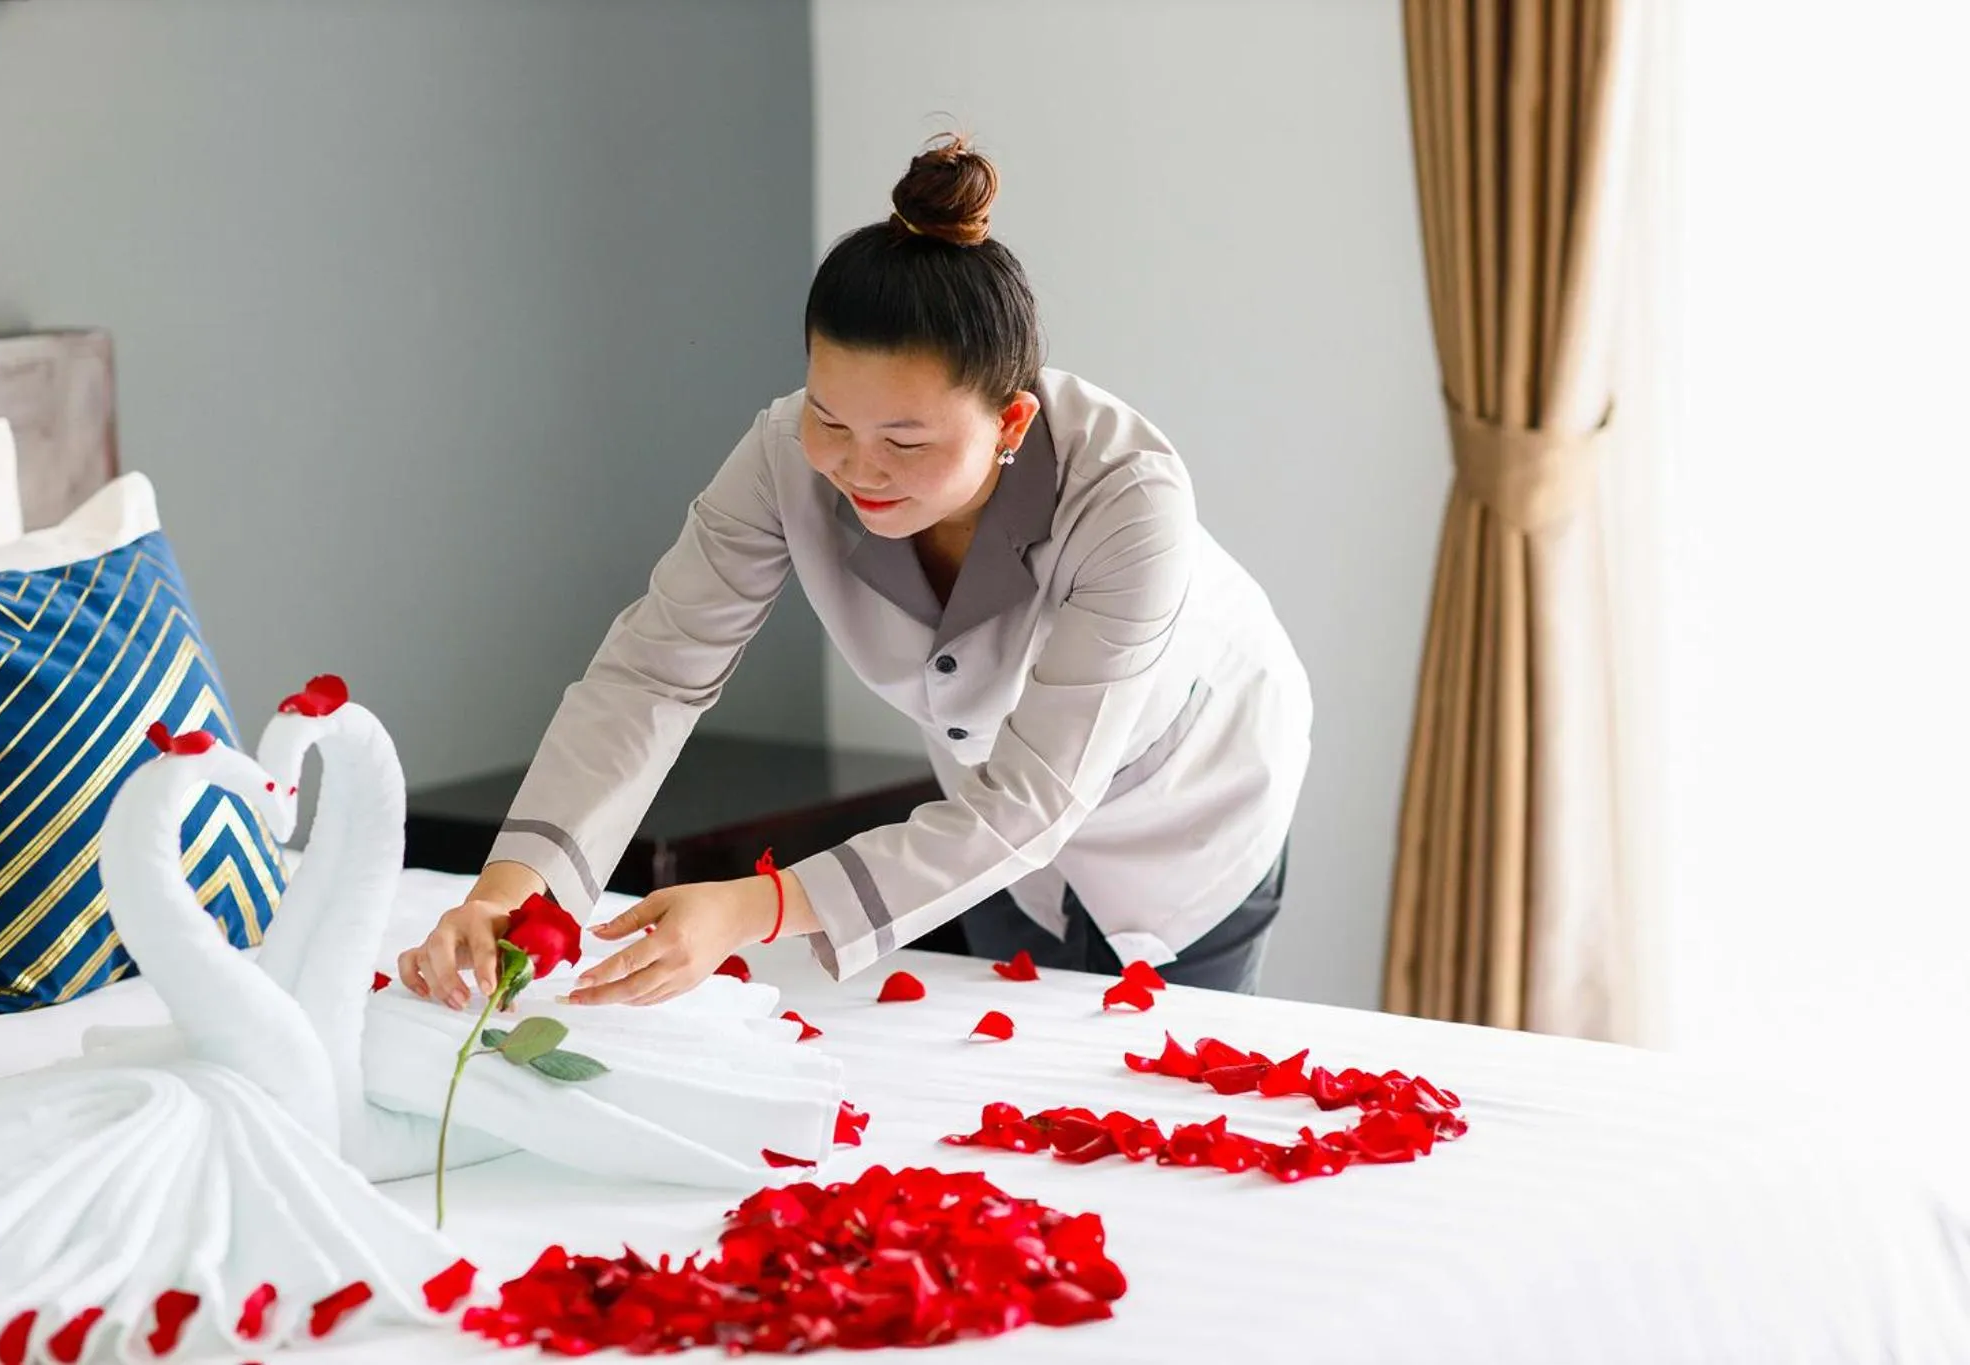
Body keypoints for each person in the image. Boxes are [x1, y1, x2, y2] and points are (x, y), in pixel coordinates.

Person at [397, 134, 1311, 1011]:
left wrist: (758, 908)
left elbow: (1039, 799)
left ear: (1013, 423)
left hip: (1188, 807)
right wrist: (517, 889)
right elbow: (650, 676)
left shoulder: (1128, 499)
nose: (857, 466)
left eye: (905, 441)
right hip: (985, 813)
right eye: (830, 417)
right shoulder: (784, 454)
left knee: (1149, 1095)